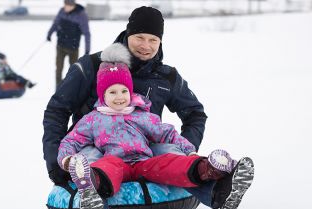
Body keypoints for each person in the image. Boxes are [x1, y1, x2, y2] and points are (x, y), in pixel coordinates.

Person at [57, 43, 254, 209]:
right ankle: (91, 185)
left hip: (144, 162)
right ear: (103, 94)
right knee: (107, 166)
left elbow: (167, 134)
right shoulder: (93, 119)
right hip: (116, 162)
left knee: (168, 162)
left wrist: (189, 151)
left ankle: (208, 169)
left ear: (130, 91)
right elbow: (71, 140)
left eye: (124, 91)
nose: (119, 97)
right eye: (113, 92)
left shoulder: (142, 115)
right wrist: (66, 160)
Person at [43, 5, 206, 188]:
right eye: (139, 38)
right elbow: (57, 110)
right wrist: (55, 163)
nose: (146, 46)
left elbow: (195, 113)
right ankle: (90, 189)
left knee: (171, 153)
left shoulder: (166, 77)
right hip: (96, 152)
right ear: (128, 35)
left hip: (145, 155)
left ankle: (214, 181)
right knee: (92, 160)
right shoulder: (93, 66)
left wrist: (186, 149)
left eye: (153, 40)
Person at [46, 0, 91, 88]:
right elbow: (55, 23)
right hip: (60, 46)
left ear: (73, 5)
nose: (66, 7)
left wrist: (87, 49)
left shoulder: (81, 15)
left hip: (73, 48)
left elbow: (87, 33)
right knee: (58, 69)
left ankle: (70, 90)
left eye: (69, 6)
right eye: (65, 5)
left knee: (73, 70)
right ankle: (58, 89)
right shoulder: (62, 11)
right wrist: (49, 34)